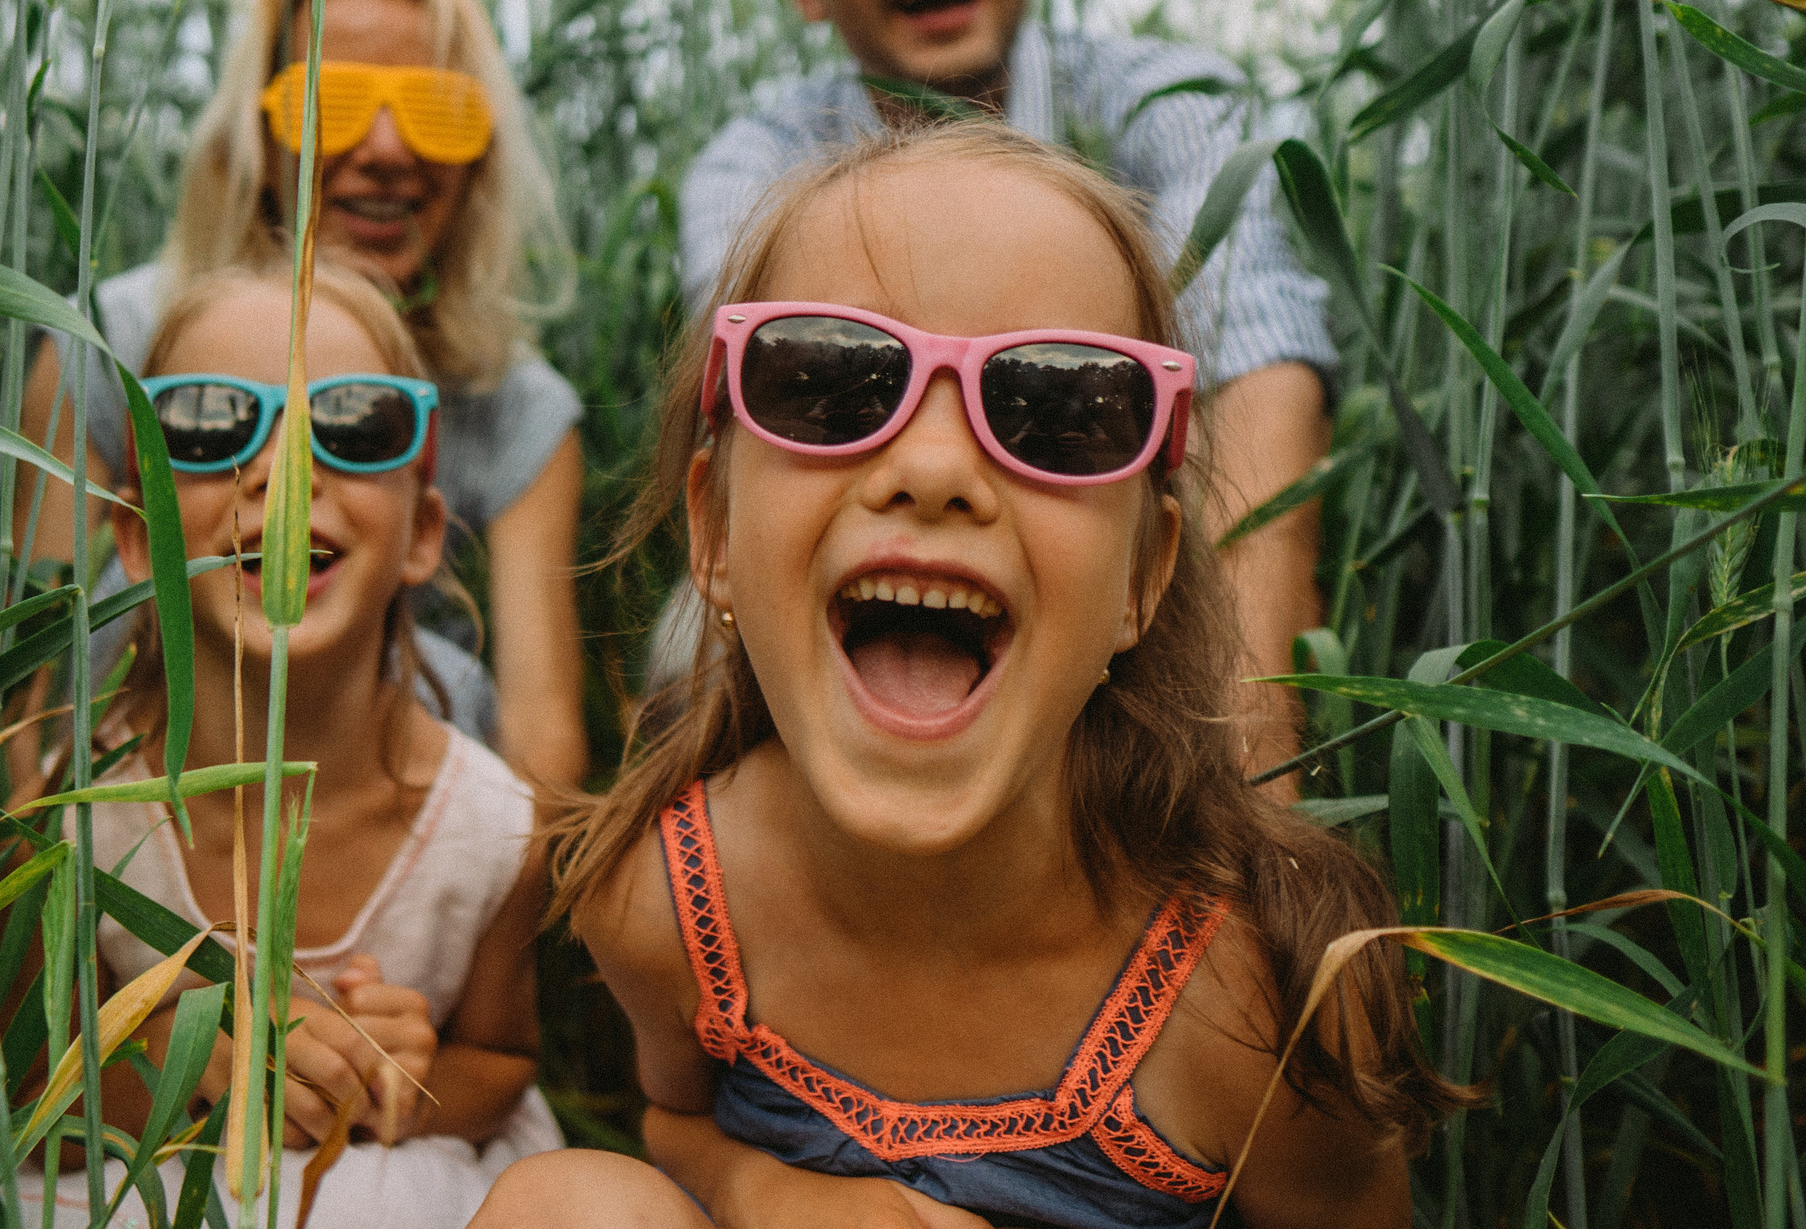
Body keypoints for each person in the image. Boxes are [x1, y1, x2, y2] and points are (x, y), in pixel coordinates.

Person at [475, 125, 1464, 1229]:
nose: (937, 468)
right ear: (712, 532)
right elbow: (676, 1123)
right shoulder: (669, 901)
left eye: (1060, 410)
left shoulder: (1254, 1001)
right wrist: (785, 1196)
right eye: (832, 384)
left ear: (1142, 578)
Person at [678, 0, 1334, 781]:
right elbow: (758, 423)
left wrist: (1247, 782)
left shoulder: (1170, 103)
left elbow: (1257, 373)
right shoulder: (753, 163)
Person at [20, 264, 563, 1229]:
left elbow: (504, 1062)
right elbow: (33, 1101)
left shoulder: (490, 832)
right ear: (136, 539)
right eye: (206, 425)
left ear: (422, 534)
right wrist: (187, 1061)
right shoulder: (79, 815)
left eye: (354, 425)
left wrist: (403, 1078)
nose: (282, 469)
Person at [15, 0, 589, 792]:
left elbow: (543, 742)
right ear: (254, 138)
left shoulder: (515, 407)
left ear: (480, 159)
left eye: (436, 111)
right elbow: (28, 692)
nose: (386, 149)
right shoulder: (106, 342)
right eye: (330, 104)